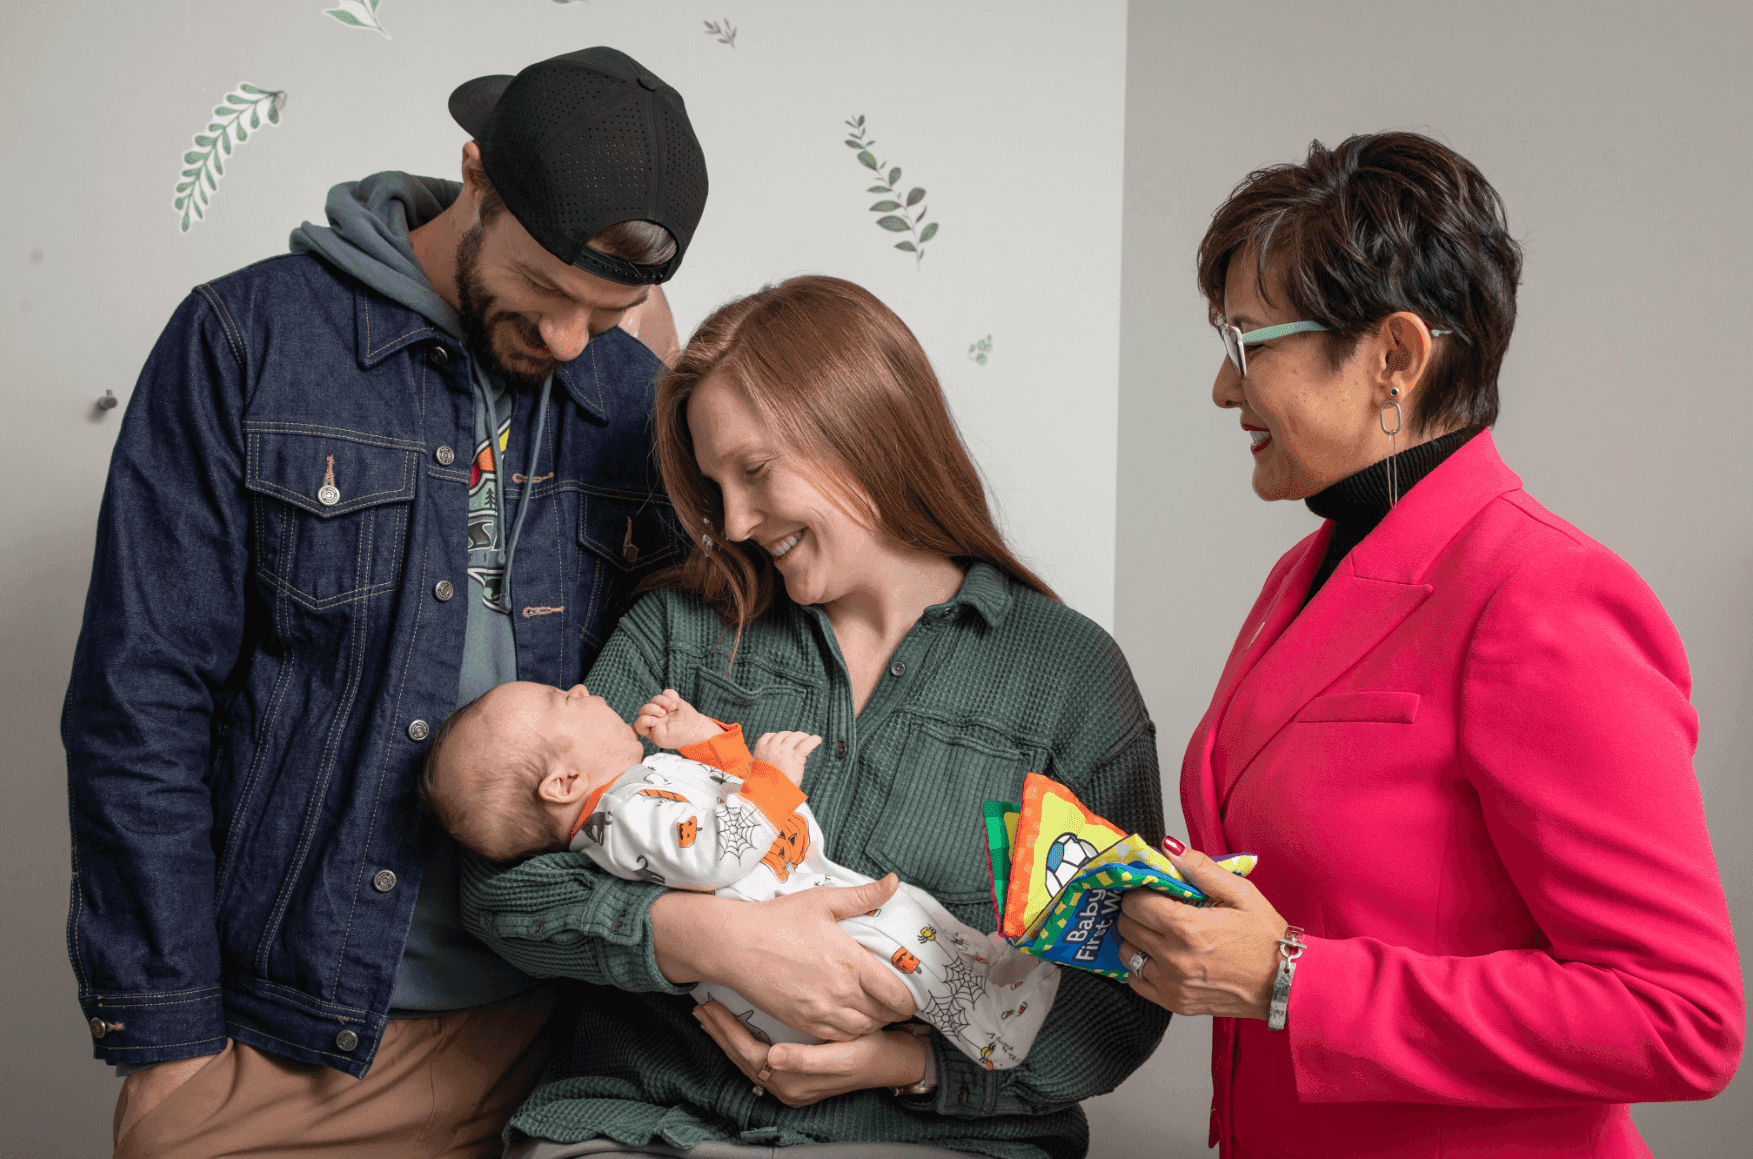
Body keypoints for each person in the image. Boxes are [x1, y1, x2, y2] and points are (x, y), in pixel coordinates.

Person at [62, 46, 708, 1158]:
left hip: (569, 1038)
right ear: (475, 178)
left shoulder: (627, 394)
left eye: (603, 314)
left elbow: (700, 660)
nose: (565, 342)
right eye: (546, 291)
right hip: (290, 1041)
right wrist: (169, 1039)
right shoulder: (245, 341)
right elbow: (141, 702)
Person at [1113, 131, 1745, 1158]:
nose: (1223, 392)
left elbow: (1679, 1016)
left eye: (1247, 345)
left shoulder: (1546, 596)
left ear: (1393, 357)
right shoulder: (1302, 570)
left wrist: (1285, 978)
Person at [460, 275, 1168, 1159]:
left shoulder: (1067, 678)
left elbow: (1125, 991)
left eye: (754, 473)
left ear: (864, 431)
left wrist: (903, 1063)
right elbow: (503, 890)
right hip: (642, 1125)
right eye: (716, 486)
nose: (735, 521)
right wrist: (708, 940)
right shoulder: (674, 637)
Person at [422, 682, 1061, 1069]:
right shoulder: (622, 819)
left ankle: (996, 974)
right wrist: (771, 776)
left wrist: (699, 736)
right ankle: (998, 1035)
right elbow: (715, 851)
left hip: (800, 892)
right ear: (562, 784)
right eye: (567, 700)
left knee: (914, 918)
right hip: (785, 946)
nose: (585, 690)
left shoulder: (633, 792)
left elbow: (711, 789)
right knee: (906, 939)